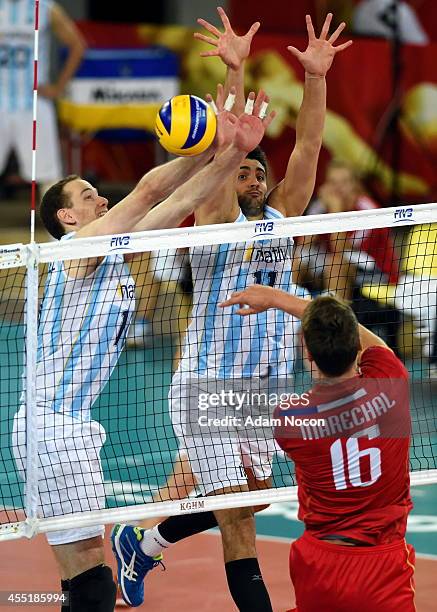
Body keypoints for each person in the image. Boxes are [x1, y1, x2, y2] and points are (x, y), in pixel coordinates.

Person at [112, 9, 352, 612]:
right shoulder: (217, 222)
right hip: (209, 381)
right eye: (240, 169)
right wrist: (235, 70)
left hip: (264, 385)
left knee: (253, 499)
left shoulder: (284, 218)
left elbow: (310, 144)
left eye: (255, 171)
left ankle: (143, 542)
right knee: (238, 522)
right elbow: (227, 146)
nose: (248, 174)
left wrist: (316, 79)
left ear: (267, 185)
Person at [11, 88, 273, 612]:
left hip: (69, 425)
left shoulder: (110, 251)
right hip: (52, 424)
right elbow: (151, 189)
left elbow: (175, 203)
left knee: (83, 584)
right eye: (88, 196)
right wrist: (212, 148)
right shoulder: (75, 252)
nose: (102, 199)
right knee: (91, 585)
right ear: (66, 218)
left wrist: (226, 152)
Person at [221, 284, 414, 612]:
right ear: (356, 347)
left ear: (308, 355)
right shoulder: (391, 380)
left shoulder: (291, 418)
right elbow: (376, 346)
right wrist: (281, 299)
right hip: (382, 565)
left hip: (320, 564)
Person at [295, 159, 401, 351]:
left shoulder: (369, 211)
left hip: (377, 275)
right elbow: (304, 243)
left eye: (344, 182)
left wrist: (336, 209)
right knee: (296, 261)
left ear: (355, 185)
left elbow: (340, 247)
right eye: (333, 183)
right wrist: (322, 209)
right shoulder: (322, 206)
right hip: (336, 266)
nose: (338, 189)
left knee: (335, 264)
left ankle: (334, 336)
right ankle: (287, 332)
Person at [0, 1, 86, 195]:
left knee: (49, 178)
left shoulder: (45, 8)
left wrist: (58, 87)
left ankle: (56, 224)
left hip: (33, 103)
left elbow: (78, 45)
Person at [353, 0, 429, 45]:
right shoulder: (401, 10)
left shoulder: (361, 9)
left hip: (366, 65)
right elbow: (421, 44)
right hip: (392, 65)